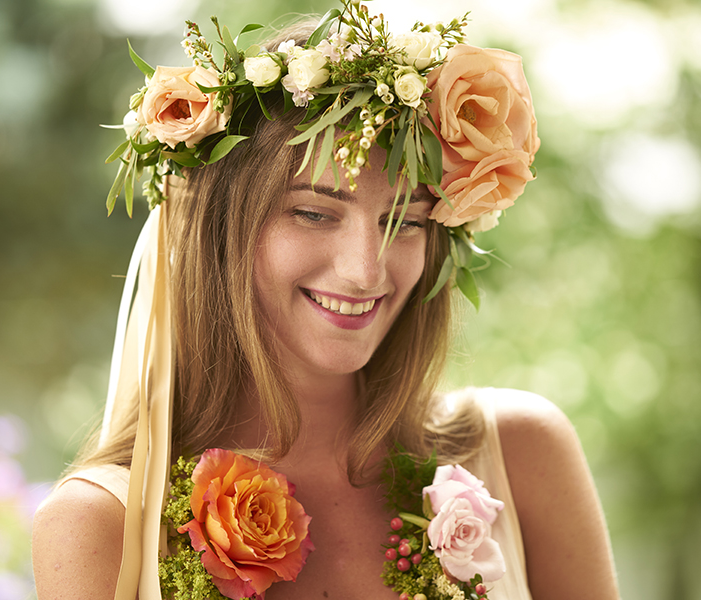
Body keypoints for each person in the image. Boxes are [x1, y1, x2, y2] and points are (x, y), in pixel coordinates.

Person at [32, 3, 620, 599]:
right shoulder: (101, 524)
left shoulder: (520, 454)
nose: (366, 270)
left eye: (406, 222)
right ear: (219, 233)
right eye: (312, 213)